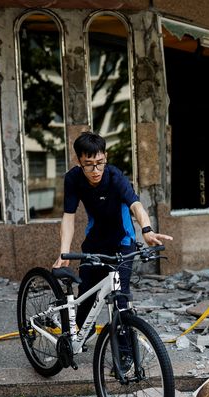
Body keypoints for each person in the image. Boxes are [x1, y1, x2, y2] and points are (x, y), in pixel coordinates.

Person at [53, 131, 172, 333]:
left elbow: (136, 205)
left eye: (100, 162)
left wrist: (147, 230)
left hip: (122, 243)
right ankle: (80, 333)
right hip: (95, 242)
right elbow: (69, 216)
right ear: (79, 161)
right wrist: (64, 252)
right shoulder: (73, 179)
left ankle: (124, 355)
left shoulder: (115, 177)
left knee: (120, 299)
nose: (96, 169)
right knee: (86, 294)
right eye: (89, 164)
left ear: (105, 157)